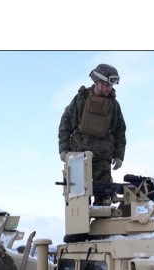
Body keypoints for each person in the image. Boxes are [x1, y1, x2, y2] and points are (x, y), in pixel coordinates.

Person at [58, 63, 127, 205]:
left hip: (103, 158)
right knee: (78, 199)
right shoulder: (80, 99)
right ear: (97, 82)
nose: (108, 88)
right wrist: (63, 149)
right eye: (106, 85)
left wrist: (119, 156)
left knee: (104, 197)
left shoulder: (114, 105)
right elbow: (66, 123)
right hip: (78, 155)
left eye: (110, 85)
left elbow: (120, 132)